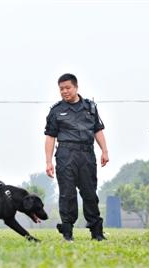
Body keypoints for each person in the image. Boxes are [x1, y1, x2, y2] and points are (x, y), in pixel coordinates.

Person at [44, 73, 109, 242]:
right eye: (61, 89)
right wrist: (48, 161)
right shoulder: (56, 110)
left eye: (67, 88)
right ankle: (67, 232)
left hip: (87, 154)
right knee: (67, 194)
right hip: (66, 154)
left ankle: (97, 232)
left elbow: (98, 130)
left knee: (89, 193)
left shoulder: (90, 107)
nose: (64, 91)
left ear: (76, 87)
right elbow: (50, 137)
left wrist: (105, 151)